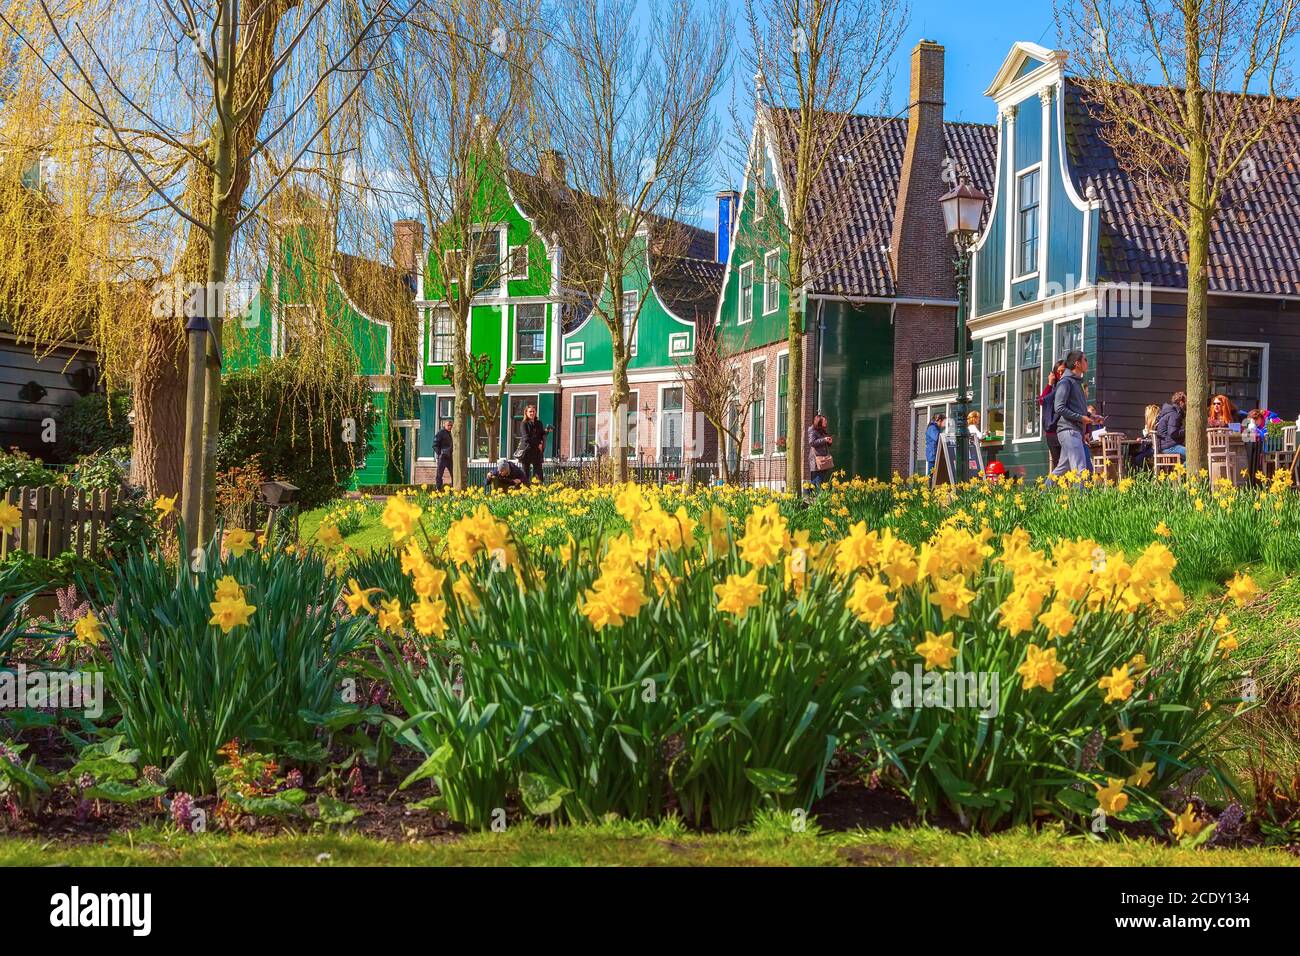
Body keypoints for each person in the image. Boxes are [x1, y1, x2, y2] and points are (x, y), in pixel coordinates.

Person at [1050, 350, 1094, 481]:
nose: (1087, 362)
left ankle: (1042, 493)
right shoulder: (1066, 382)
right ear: (1077, 364)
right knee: (1081, 470)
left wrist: (1090, 417)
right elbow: (1059, 407)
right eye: (1085, 360)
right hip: (1069, 431)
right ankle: (1080, 501)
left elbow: (1075, 408)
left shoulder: (1076, 382)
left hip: (1074, 430)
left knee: (1061, 469)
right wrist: (1081, 418)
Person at [1039, 360, 1066, 470]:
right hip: (1052, 432)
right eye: (1058, 371)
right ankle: (1058, 486)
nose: (1060, 374)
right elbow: (1042, 401)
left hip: (1064, 429)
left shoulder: (1068, 386)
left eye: (1063, 371)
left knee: (1067, 462)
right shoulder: (1053, 389)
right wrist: (1049, 384)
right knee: (1058, 462)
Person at [517, 404, 552, 484]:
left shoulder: (539, 423)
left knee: (539, 473)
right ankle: (525, 490)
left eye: (533, 411)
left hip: (536, 451)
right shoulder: (524, 424)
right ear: (526, 413)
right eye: (530, 411)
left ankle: (538, 490)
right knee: (526, 473)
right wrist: (538, 444)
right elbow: (526, 438)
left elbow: (541, 434)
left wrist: (546, 431)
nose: (532, 413)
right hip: (527, 451)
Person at [1155, 391, 1188, 460]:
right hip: (1170, 447)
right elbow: (1173, 432)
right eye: (1186, 402)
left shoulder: (1169, 412)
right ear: (1181, 402)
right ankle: (1180, 471)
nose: (1186, 405)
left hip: (1164, 445)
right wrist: (1186, 431)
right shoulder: (1174, 414)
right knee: (1192, 455)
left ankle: (1180, 470)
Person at [806, 414, 833, 491]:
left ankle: (815, 495)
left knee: (821, 479)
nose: (826, 422)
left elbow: (823, 443)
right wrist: (824, 439)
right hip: (816, 459)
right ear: (819, 422)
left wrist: (829, 442)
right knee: (817, 479)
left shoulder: (822, 430)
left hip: (823, 458)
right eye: (824, 421)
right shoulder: (812, 430)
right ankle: (815, 496)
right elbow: (812, 442)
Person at [1130, 403, 1161, 469]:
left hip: (1156, 448)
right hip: (1151, 448)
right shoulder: (1151, 425)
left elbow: (1153, 440)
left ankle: (1150, 472)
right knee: (1133, 455)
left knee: (1138, 458)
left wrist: (1143, 439)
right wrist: (1143, 438)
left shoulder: (1157, 424)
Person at [433, 418, 453, 491]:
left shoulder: (452, 433)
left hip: (451, 457)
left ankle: (453, 489)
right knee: (439, 474)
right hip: (443, 457)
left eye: (451, 425)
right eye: (448, 425)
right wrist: (440, 453)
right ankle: (438, 489)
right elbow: (435, 444)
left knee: (454, 474)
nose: (450, 427)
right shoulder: (440, 433)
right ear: (445, 425)